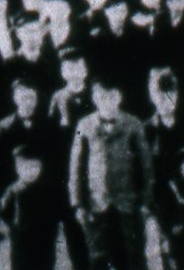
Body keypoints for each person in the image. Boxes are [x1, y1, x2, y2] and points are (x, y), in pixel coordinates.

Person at [68, 77, 151, 270]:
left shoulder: (133, 124)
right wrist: (78, 204)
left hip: (127, 204)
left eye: (111, 96)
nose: (107, 101)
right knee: (98, 258)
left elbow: (145, 166)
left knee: (133, 257)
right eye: (101, 97)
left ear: (119, 97)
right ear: (95, 98)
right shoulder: (85, 125)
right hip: (96, 204)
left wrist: (145, 201)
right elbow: (76, 166)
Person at [0, 145, 66, 270]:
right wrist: (12, 226)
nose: (30, 172)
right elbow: (4, 211)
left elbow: (57, 209)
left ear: (41, 167)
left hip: (45, 237)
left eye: (35, 167)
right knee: (21, 264)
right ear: (17, 168)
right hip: (21, 239)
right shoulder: (15, 190)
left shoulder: (47, 188)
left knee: (45, 263)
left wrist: (55, 223)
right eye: (25, 168)